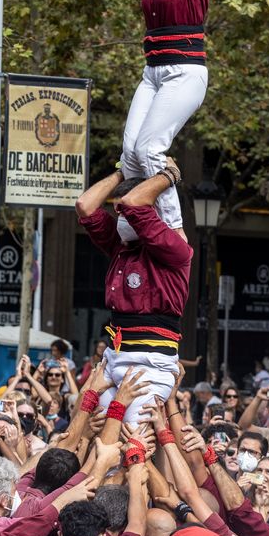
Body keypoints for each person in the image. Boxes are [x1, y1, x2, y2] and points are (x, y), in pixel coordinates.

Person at [105, 0, 214, 230]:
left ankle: (173, 227)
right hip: (153, 72)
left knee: (151, 148)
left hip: (184, 71)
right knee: (130, 151)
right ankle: (139, 223)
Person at [75, 167, 192, 420]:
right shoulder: (119, 245)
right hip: (114, 356)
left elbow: (133, 203)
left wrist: (170, 175)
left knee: (133, 437)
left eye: (124, 212)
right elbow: (85, 206)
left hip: (149, 363)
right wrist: (122, 170)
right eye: (116, 211)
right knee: (90, 427)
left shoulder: (173, 248)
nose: (121, 216)